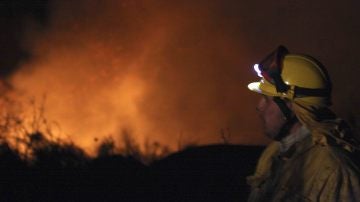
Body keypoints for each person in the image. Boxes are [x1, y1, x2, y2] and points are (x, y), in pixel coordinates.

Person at [246, 46, 360, 201]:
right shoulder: (272, 154)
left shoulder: (334, 170)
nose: (259, 107)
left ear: (292, 106)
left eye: (266, 99)